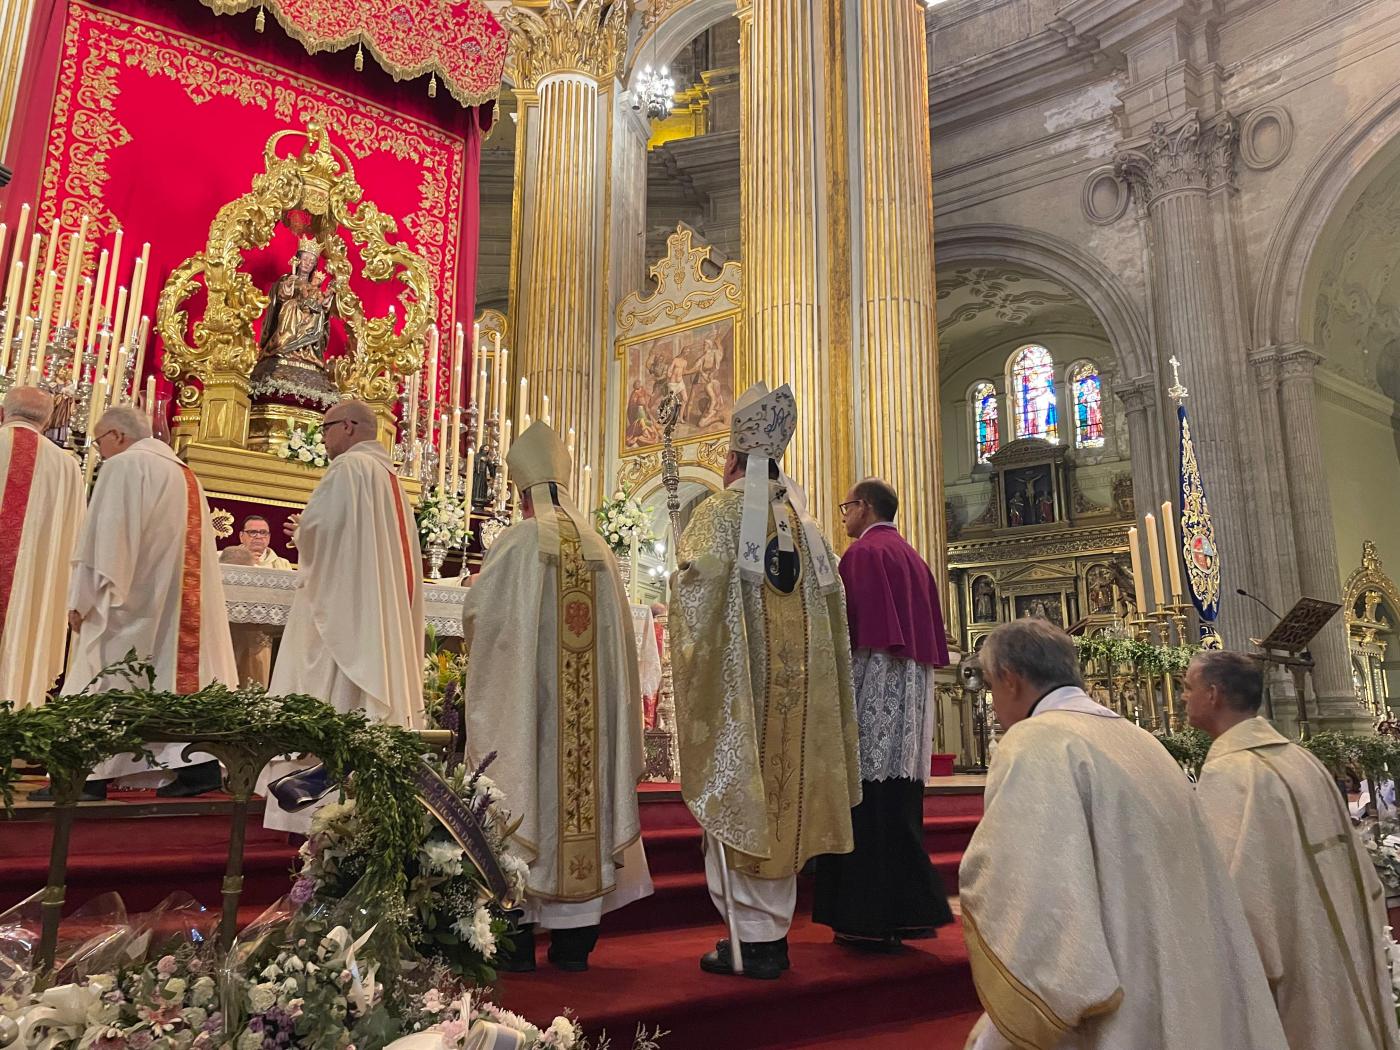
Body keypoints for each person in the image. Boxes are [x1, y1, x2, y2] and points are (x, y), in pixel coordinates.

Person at [959, 619, 1286, 1049]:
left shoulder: (1035, 742)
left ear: (1010, 679)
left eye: (990, 685)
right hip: (1188, 983)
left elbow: (1031, 891)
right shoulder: (1140, 739)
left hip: (1119, 1002)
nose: (994, 702)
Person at [669, 381, 860, 981]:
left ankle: (750, 942)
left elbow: (694, 597)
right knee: (787, 799)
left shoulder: (721, 513)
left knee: (746, 792)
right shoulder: (812, 531)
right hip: (802, 712)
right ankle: (769, 938)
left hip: (747, 705)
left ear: (731, 457)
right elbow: (834, 619)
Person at [463, 421, 651, 972]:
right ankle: (574, 947)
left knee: (524, 798)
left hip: (532, 714)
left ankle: (517, 943)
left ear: (523, 492)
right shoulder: (598, 546)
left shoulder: (516, 543)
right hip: (587, 724)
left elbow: (483, 620)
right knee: (581, 805)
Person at [1186, 650, 1400, 1050]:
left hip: (1292, 980)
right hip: (1338, 953)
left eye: (1187, 688)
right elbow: (1363, 877)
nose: (1183, 698)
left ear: (1213, 694)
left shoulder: (1232, 773)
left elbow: (1232, 903)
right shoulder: (1301, 759)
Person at [258, 399, 424, 832]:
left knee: (329, 692)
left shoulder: (349, 469)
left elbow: (324, 534)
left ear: (349, 427)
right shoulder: (389, 478)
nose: (324, 437)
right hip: (373, 614)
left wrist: (302, 533)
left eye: (326, 427)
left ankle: (312, 807)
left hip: (344, 616)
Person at [63, 405, 237, 800]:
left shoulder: (124, 466)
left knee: (110, 675)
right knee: (170, 679)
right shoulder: (184, 474)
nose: (100, 450)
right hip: (175, 602)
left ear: (118, 436)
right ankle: (199, 767)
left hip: (132, 601)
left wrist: (82, 599)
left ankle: (86, 777)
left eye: (99, 441)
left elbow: (105, 541)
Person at [814, 478, 952, 951]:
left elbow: (847, 636)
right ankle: (908, 912)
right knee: (899, 806)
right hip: (910, 699)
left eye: (846, 505)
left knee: (868, 805)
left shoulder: (862, 555)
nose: (844, 514)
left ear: (866, 506)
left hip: (873, 693)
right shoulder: (914, 557)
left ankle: (866, 916)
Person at [0, 388, 85, 710]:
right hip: (30, 597)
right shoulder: (65, 468)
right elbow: (77, 541)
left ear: (2, 411)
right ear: (48, 420)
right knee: (19, 663)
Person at [221, 515, 293, 569]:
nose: (258, 536)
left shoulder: (283, 564)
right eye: (252, 532)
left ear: (269, 537)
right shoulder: (224, 557)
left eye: (263, 532)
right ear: (241, 536)